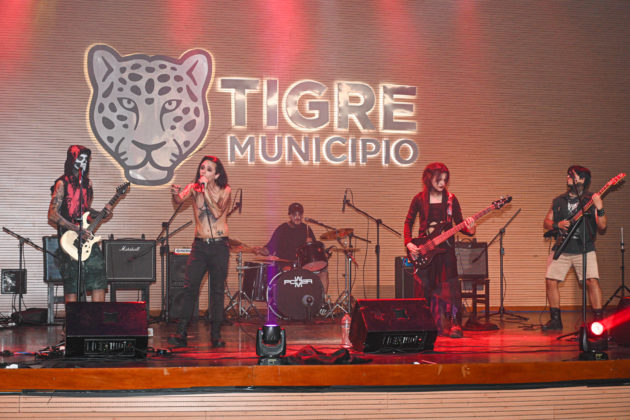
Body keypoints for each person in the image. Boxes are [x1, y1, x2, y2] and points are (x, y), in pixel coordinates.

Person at [404, 162, 475, 338]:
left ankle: (454, 323)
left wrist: (471, 229)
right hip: (425, 250)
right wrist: (409, 243)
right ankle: (425, 323)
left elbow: (460, 223)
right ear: (429, 179)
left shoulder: (451, 199)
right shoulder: (419, 199)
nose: (443, 183)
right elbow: (408, 222)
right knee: (425, 288)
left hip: (446, 251)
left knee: (451, 289)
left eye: (445, 180)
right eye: (439, 180)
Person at [168, 155, 231, 348]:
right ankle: (181, 333)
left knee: (217, 291)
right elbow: (179, 200)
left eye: (209, 169)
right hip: (200, 246)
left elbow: (217, 212)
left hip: (219, 246)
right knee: (190, 288)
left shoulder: (225, 190)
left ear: (217, 174)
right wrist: (175, 193)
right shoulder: (194, 187)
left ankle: (216, 334)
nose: (204, 171)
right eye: (202, 168)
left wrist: (205, 191)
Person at [542, 165, 607, 331]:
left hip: (585, 247)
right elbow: (546, 222)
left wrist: (600, 208)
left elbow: (602, 226)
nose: (568, 177)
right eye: (567, 175)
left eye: (572, 175)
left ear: (582, 179)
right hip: (562, 247)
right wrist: (557, 224)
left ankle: (598, 320)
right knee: (551, 281)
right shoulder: (559, 200)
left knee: (591, 281)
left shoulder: (591, 199)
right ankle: (555, 320)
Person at [48, 145, 111, 303]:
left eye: (86, 159)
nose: (83, 162)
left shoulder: (87, 184)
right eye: (80, 158)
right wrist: (76, 229)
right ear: (72, 160)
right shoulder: (62, 183)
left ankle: (97, 316)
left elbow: (85, 211)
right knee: (72, 281)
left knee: (98, 274)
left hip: (85, 236)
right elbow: (52, 214)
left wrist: (102, 214)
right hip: (69, 237)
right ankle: (73, 318)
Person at [255, 203, 329, 305]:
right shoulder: (282, 229)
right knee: (288, 272)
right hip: (285, 265)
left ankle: (321, 302)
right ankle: (288, 303)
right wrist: (260, 250)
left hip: (303, 265)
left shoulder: (307, 229)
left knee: (323, 272)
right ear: (290, 215)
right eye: (294, 214)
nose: (297, 217)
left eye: (300, 214)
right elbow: (269, 249)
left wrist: (310, 243)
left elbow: (313, 252)